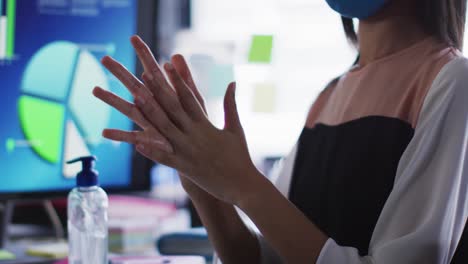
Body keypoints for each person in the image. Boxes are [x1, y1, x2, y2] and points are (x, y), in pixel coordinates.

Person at [92, 0, 468, 262]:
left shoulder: (451, 81)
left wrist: (243, 183)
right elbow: (262, 259)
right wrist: (201, 179)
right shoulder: (330, 95)